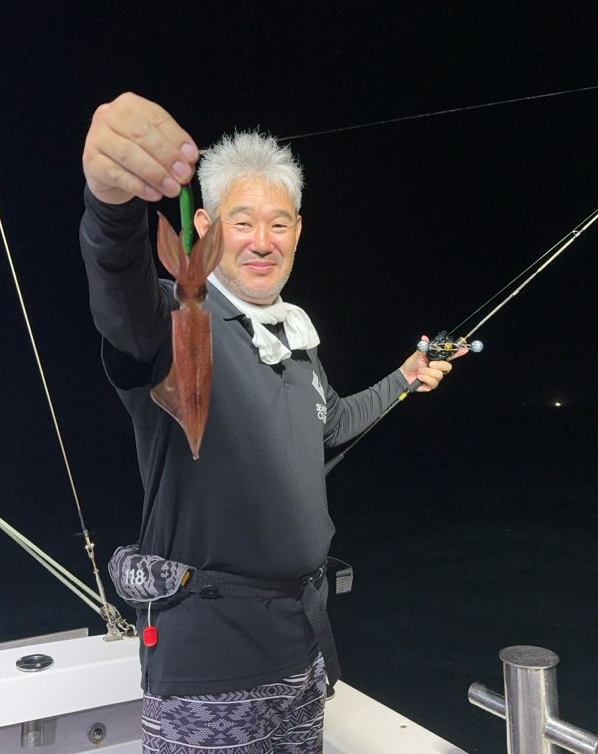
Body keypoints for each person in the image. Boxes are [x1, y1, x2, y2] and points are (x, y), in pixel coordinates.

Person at [80, 92, 457, 754]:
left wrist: (403, 378)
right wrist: (110, 207)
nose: (262, 241)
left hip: (301, 652)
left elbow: (331, 423)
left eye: (278, 224)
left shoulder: (295, 340)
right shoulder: (175, 318)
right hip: (209, 670)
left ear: (298, 232)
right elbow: (120, 295)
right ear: (205, 229)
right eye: (242, 222)